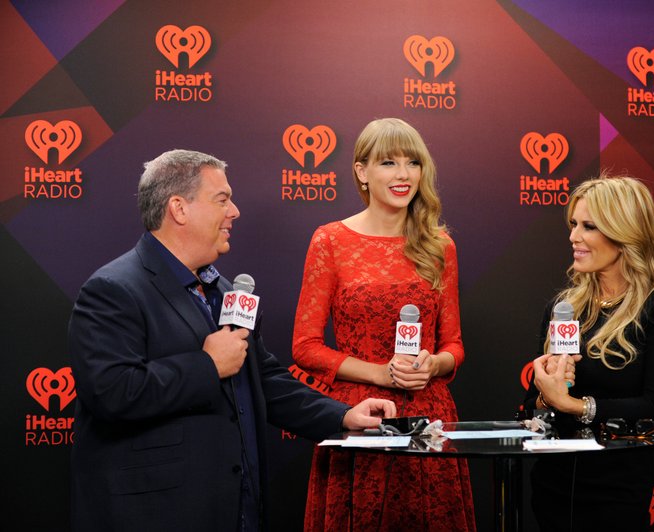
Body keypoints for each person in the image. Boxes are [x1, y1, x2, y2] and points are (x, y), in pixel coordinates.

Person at [68, 149, 396, 532]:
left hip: (236, 507)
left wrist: (341, 415)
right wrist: (207, 366)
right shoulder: (112, 290)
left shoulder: (222, 290)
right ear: (179, 208)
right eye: (222, 199)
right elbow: (113, 393)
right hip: (158, 514)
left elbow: (265, 379)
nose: (235, 211)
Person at [292, 118, 476, 531]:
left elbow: (455, 345)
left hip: (429, 415)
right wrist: (381, 373)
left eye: (412, 163)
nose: (403, 175)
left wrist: (434, 364)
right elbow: (305, 346)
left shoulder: (440, 245)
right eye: (388, 163)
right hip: (358, 415)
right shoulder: (330, 241)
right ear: (362, 171)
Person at [522, 173, 654, 532]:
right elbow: (531, 408)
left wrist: (576, 406)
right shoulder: (563, 306)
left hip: (617, 487)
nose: (573, 237)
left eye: (589, 226)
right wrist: (546, 395)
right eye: (573, 224)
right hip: (554, 484)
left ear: (624, 233)